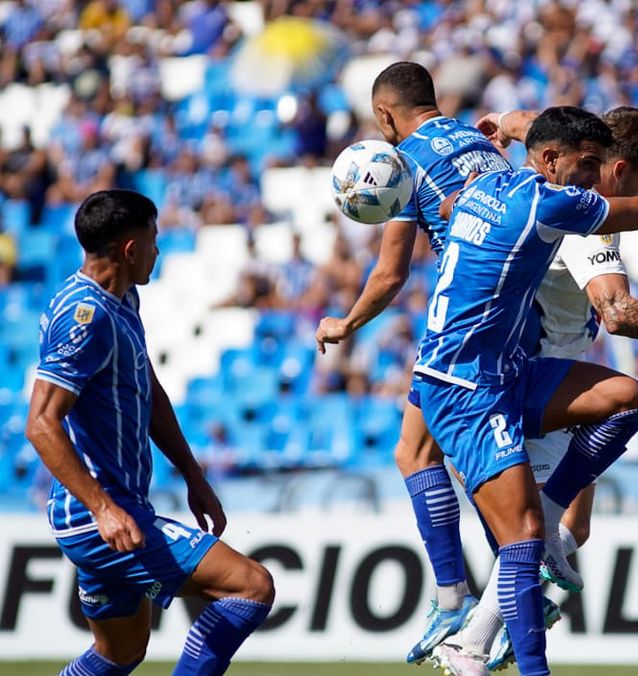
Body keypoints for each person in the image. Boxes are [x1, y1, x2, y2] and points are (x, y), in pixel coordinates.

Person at [435, 106, 638, 675]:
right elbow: (620, 311)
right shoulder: (582, 219)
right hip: (512, 378)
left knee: (560, 528)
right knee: (530, 535)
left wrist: (508, 124)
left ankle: (491, 626)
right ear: (620, 168)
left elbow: (543, 130)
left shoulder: (541, 180)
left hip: (521, 370)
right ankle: (479, 638)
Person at [25, 189, 275, 675]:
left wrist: (192, 474)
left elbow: (148, 388)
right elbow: (41, 423)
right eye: (154, 239)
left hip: (116, 510)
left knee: (119, 653)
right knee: (251, 586)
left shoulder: (122, 298)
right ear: (130, 249)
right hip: (99, 516)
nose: (159, 250)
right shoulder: (85, 316)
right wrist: (104, 510)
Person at [313, 61, 511, 665]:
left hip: (467, 320)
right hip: (518, 313)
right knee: (449, 458)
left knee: (421, 454)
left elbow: (392, 272)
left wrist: (346, 322)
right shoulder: (479, 143)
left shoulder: (401, 162)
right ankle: (493, 593)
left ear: (384, 116)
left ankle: (477, 594)